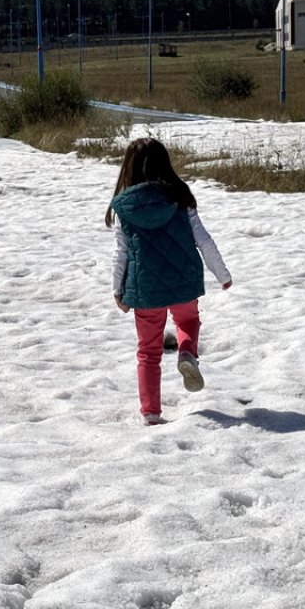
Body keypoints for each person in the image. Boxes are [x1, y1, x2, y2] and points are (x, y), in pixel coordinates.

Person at [107, 138, 231, 426]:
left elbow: (121, 253)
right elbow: (204, 239)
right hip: (184, 281)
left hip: (145, 288)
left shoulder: (124, 209)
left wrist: (118, 289)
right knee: (187, 322)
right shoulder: (180, 198)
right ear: (166, 164)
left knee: (148, 351)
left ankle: (151, 412)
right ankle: (187, 352)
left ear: (128, 168)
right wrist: (222, 274)